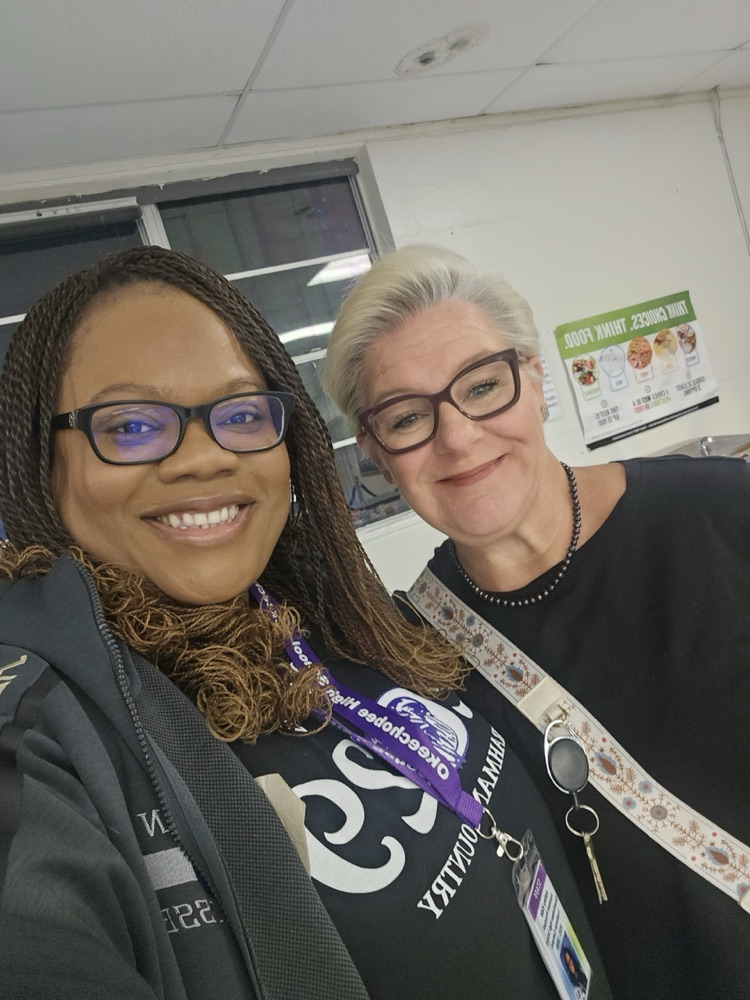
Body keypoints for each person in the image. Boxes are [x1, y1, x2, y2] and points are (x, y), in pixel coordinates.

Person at [0, 245, 613, 1000]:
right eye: (130, 426)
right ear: (39, 462)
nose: (203, 459)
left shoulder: (335, 615)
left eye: (241, 414)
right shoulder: (48, 737)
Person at [325, 243, 750, 1000]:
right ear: (377, 456)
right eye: (407, 418)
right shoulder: (416, 665)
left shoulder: (723, 512)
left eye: (483, 386)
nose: (457, 437)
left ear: (535, 380)